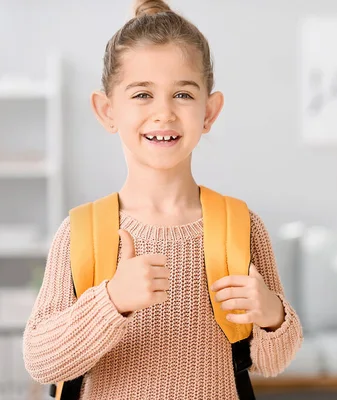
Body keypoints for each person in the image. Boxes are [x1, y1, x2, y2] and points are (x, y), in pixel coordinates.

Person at [22, 1, 303, 399]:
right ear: (107, 111)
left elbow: (272, 363)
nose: (164, 113)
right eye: (141, 94)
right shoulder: (81, 232)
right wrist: (111, 302)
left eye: (183, 95)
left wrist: (273, 315)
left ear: (209, 111)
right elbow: (41, 360)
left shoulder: (241, 225)